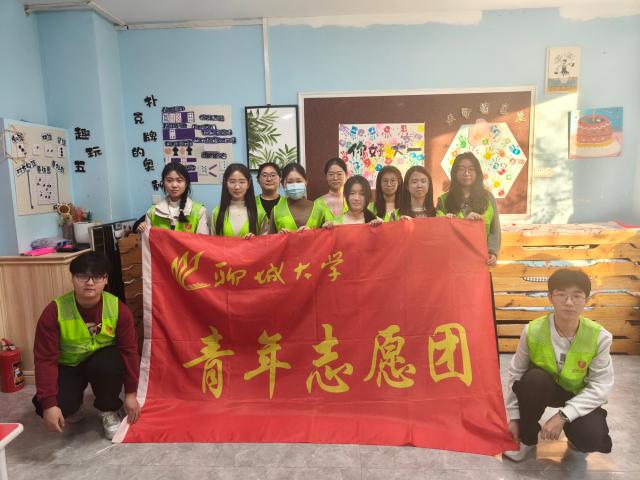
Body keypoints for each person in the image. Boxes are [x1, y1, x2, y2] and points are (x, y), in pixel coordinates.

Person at [503, 269, 614, 462]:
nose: (569, 302)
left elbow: (600, 385)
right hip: (543, 388)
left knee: (590, 437)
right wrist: (515, 418)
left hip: (578, 393)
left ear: (586, 300)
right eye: (561, 295)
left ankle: (576, 433)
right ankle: (527, 439)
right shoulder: (532, 331)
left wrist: (563, 416)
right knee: (533, 380)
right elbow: (516, 374)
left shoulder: (600, 337)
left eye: (576, 296)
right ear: (550, 298)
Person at [32, 252, 140, 440]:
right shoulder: (54, 311)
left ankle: (108, 409)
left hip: (103, 363)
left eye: (97, 276)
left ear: (105, 280)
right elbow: (44, 360)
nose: (90, 283)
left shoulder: (118, 309)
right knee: (47, 405)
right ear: (73, 278)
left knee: (110, 362)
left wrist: (131, 393)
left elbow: (129, 351)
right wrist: (49, 404)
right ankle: (74, 406)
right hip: (69, 366)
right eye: (83, 276)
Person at [436, 152, 501, 266]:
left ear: (477, 172)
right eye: (461, 169)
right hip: (454, 262)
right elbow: (440, 232)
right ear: (455, 172)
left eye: (471, 169)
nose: (466, 173)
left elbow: (495, 230)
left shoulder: (488, 197)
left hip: (481, 261)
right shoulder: (444, 200)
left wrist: (492, 253)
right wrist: (464, 222)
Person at [137, 162, 209, 234]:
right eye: (169, 180)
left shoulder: (200, 211)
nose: (174, 185)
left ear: (186, 183)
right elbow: (147, 239)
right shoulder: (152, 212)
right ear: (163, 183)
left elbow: (202, 240)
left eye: (179, 180)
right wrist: (141, 229)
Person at [269, 163, 326, 233]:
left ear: (306, 182)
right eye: (290, 182)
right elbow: (270, 238)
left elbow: (326, 237)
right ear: (283, 184)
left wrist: (313, 234)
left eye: (299, 181)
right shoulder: (276, 211)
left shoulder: (319, 209)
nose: (295, 185)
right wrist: (279, 236)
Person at [212, 163, 265, 238]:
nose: (237, 187)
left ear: (248, 184)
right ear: (226, 183)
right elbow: (212, 242)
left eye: (242, 182)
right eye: (232, 182)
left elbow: (266, 242)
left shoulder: (260, 212)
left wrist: (255, 240)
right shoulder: (217, 212)